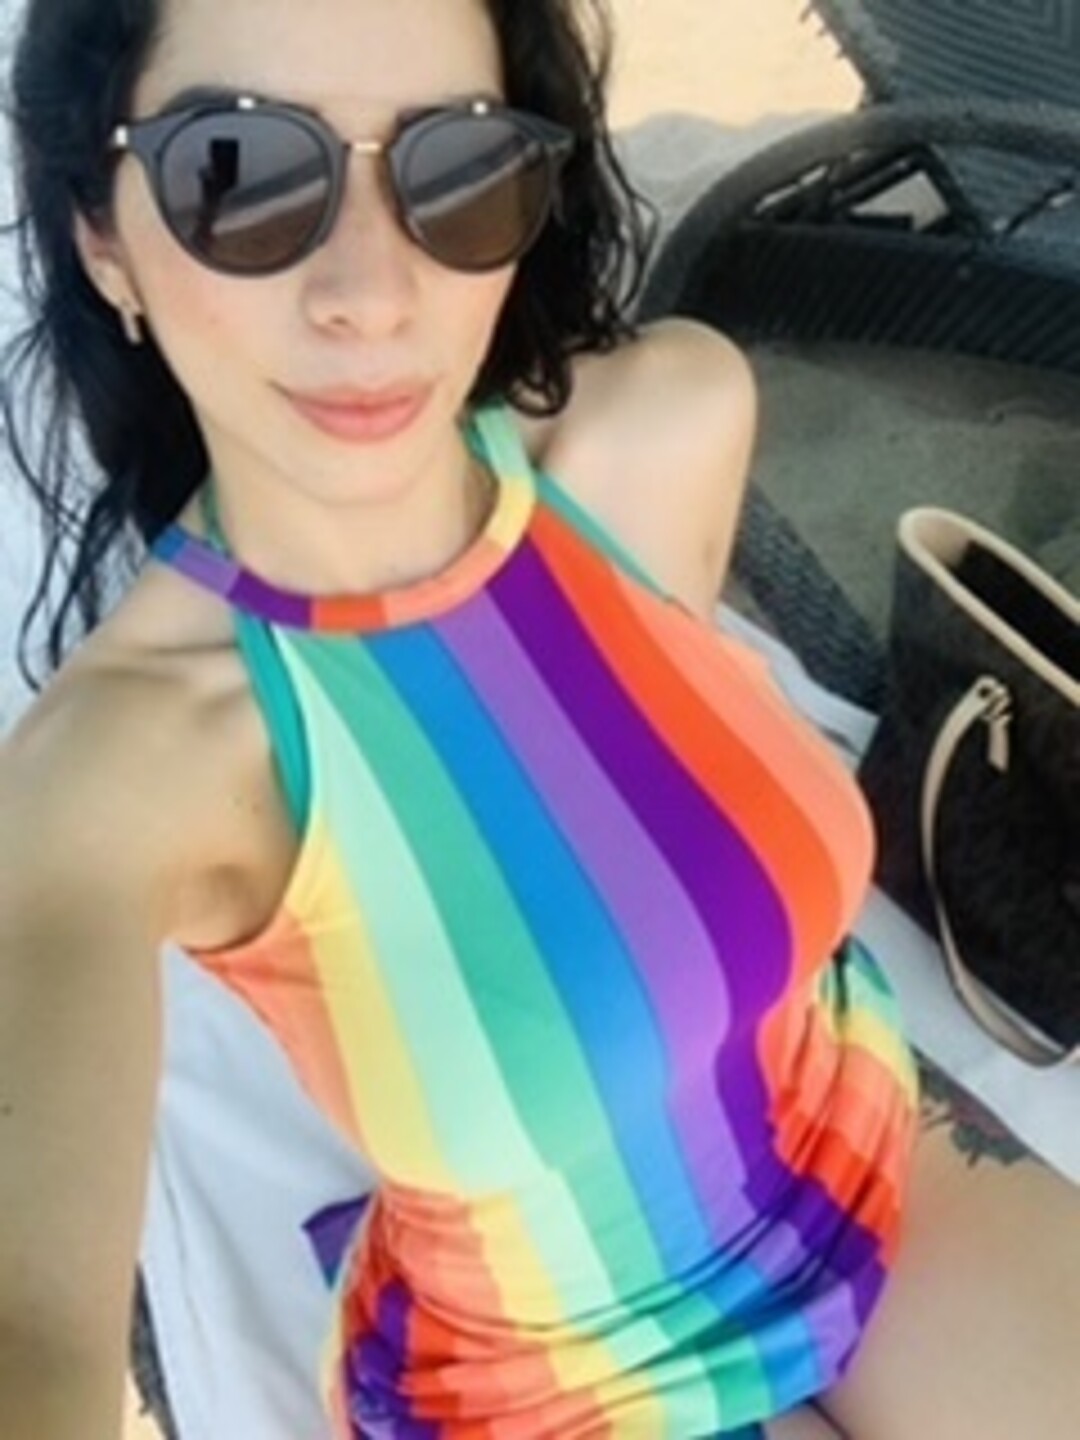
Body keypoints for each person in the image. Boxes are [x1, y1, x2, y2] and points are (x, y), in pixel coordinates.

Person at [1, 0, 1078, 1436]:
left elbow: (633, 829)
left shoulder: (661, 431)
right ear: (102, 237)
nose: (373, 292)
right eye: (238, 173)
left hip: (860, 1133)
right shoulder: (129, 766)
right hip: (544, 1370)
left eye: (454, 168)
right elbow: (31, 1326)